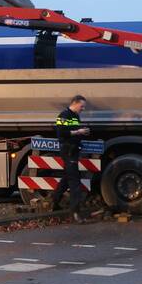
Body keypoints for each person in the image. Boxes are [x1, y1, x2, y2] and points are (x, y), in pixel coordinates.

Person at [51, 95, 91, 223]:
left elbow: (74, 130)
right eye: (82, 106)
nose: (83, 109)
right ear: (75, 103)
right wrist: (79, 132)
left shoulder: (75, 116)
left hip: (73, 150)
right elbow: (61, 133)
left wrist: (83, 132)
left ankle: (54, 201)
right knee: (75, 181)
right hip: (68, 150)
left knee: (68, 177)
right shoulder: (63, 115)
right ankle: (75, 213)